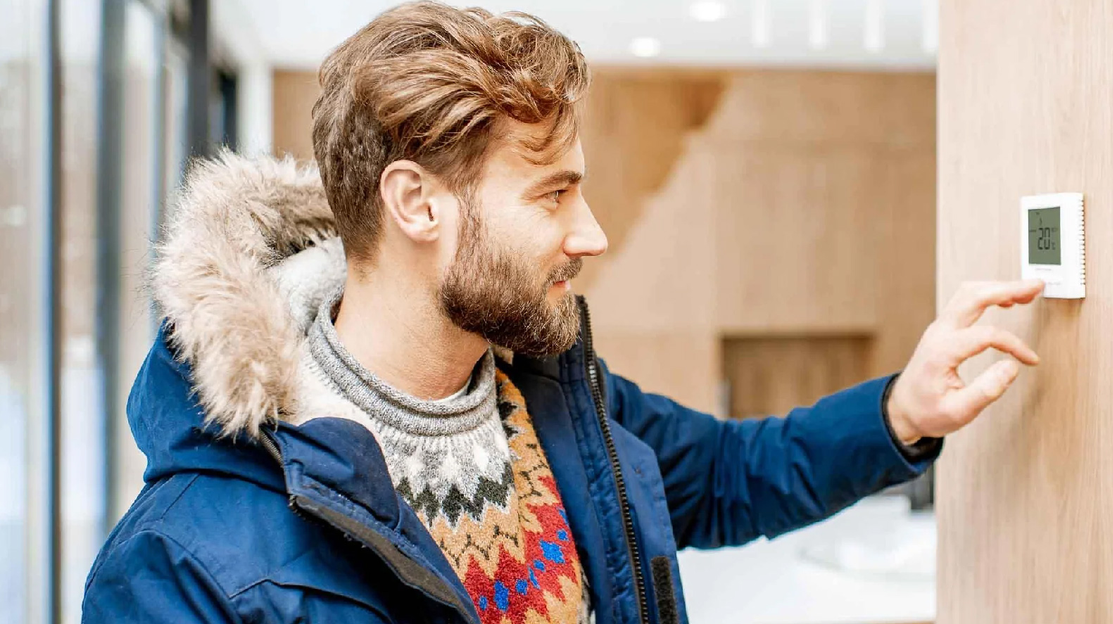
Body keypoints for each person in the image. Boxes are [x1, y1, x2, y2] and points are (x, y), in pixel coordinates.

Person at [81, 3, 1043, 623]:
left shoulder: (555, 396)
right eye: (552, 195)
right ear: (418, 204)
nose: (592, 234)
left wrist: (902, 414)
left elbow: (724, 475)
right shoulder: (179, 560)